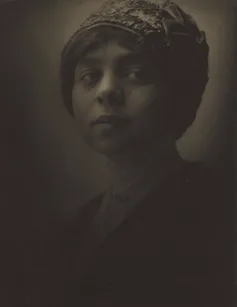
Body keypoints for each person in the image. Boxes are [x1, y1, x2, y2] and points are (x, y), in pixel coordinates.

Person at [56, 0, 234, 306]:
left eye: (136, 73)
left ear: (177, 92)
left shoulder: (217, 211)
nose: (106, 91)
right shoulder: (77, 227)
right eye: (90, 76)